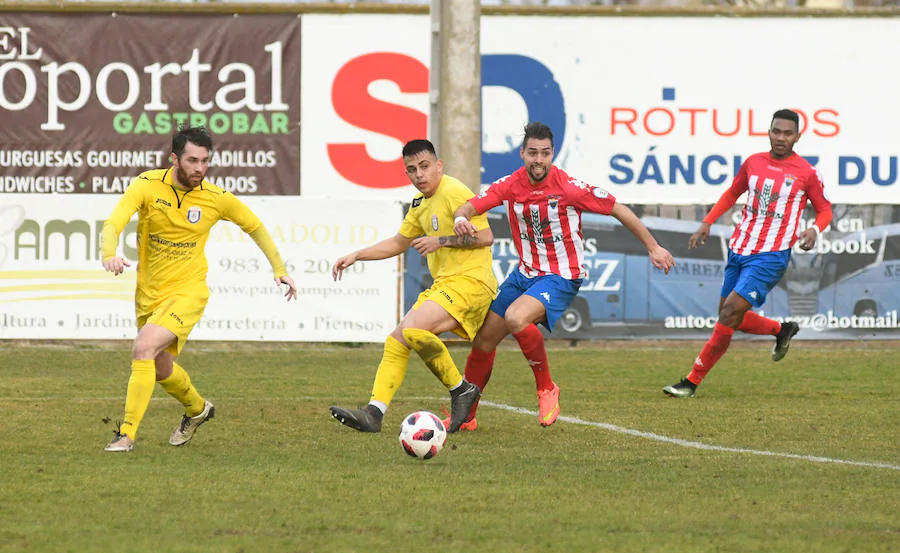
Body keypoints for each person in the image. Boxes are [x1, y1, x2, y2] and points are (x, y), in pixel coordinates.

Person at [452, 122, 675, 430]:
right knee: (483, 343)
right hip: (524, 275)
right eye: (532, 153)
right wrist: (460, 217)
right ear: (522, 154)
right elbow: (471, 205)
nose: (538, 160)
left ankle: (546, 388)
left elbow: (617, 208)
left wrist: (654, 247)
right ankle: (466, 416)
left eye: (545, 153)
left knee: (517, 318)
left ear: (552, 154)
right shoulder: (510, 184)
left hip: (561, 275)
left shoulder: (569, 187)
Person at [100, 126, 298, 452]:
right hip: (149, 295)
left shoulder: (216, 198)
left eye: (205, 161)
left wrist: (280, 270)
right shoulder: (147, 185)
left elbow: (255, 227)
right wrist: (109, 253)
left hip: (189, 292)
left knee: (142, 348)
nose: (200, 168)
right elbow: (114, 222)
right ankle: (197, 409)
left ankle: (126, 434)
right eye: (192, 160)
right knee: (161, 368)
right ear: (174, 158)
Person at [328, 139, 497, 434]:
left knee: (412, 330)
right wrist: (358, 254)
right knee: (397, 339)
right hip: (447, 284)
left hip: (472, 283)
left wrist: (440, 241)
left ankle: (461, 390)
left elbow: (486, 237)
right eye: (411, 170)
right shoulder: (420, 204)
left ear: (438, 165)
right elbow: (398, 243)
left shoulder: (454, 191)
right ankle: (374, 413)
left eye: (424, 166)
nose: (419, 174)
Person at [662, 108, 833, 398]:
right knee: (728, 316)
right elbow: (732, 192)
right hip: (740, 248)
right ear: (769, 132)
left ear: (797, 137)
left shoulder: (806, 172)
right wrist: (707, 222)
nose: (780, 137)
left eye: (787, 133)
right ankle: (781, 329)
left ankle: (690, 382)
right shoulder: (754, 162)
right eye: (776, 131)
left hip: (771, 255)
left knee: (729, 312)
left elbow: (825, 208)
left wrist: (815, 229)